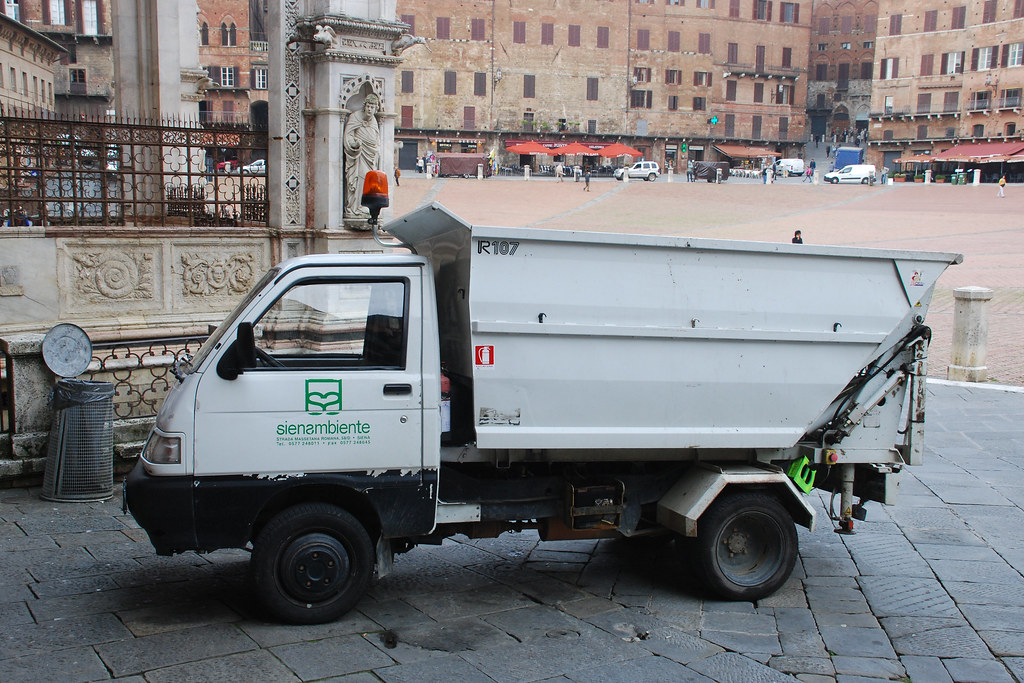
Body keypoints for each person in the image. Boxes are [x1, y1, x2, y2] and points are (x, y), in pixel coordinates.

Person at [343, 93, 382, 218]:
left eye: (373, 107)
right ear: (365, 106)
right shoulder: (355, 117)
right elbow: (348, 135)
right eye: (368, 106)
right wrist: (354, 144)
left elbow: (376, 138)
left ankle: (365, 206)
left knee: (370, 180)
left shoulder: (374, 121)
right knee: (361, 178)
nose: (370, 109)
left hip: (371, 156)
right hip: (359, 155)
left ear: (376, 109)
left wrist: (377, 151)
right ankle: (356, 207)